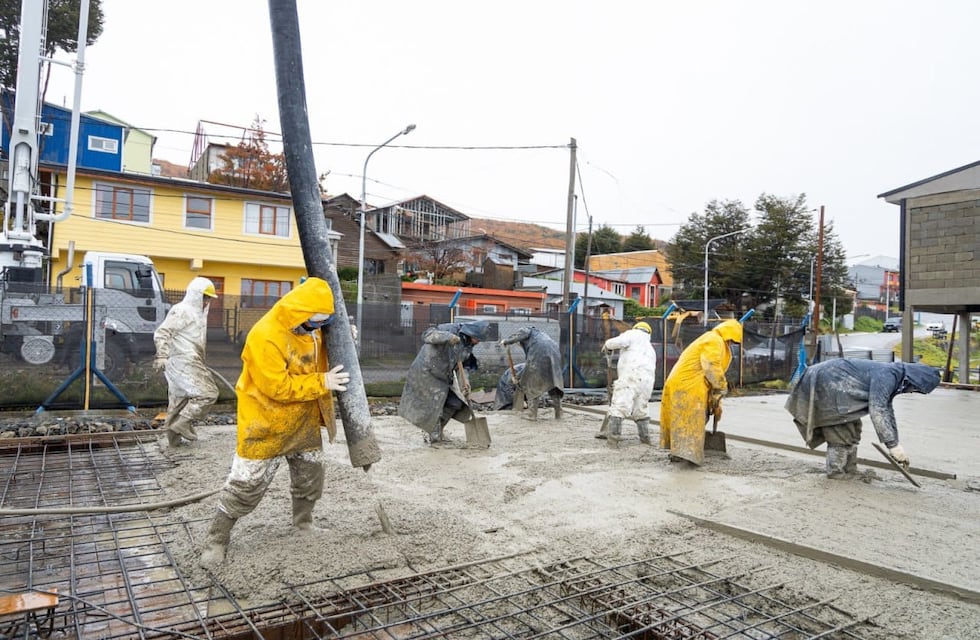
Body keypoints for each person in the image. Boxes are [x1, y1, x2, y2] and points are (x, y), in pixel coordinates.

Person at [200, 277, 350, 566]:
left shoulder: (311, 331)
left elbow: (319, 352)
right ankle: (216, 539)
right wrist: (323, 382)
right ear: (298, 314)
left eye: (320, 325)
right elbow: (276, 388)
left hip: (303, 419)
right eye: (311, 324)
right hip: (265, 422)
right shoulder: (265, 336)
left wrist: (342, 340)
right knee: (247, 484)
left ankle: (303, 524)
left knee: (310, 475)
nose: (314, 330)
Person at [784, 359, 940, 479]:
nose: (913, 392)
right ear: (913, 380)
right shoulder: (888, 376)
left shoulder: (895, 375)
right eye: (916, 389)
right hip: (829, 382)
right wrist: (892, 445)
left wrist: (895, 443)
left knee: (853, 430)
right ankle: (835, 473)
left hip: (840, 387)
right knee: (840, 433)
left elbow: (887, 409)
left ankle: (850, 469)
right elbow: (877, 409)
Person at [660, 319, 742, 465]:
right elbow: (711, 366)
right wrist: (721, 385)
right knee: (689, 419)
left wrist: (716, 401)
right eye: (732, 340)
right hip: (687, 385)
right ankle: (686, 454)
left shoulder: (716, 341)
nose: (732, 344)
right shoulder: (713, 340)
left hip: (690, 384)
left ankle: (680, 452)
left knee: (689, 418)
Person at [153, 276, 220, 447]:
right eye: (205, 297)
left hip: (187, 361)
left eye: (208, 299)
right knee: (208, 393)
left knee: (178, 400)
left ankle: (173, 442)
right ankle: (183, 423)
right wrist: (161, 355)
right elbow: (162, 332)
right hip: (184, 361)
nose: (206, 302)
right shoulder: (182, 310)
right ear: (195, 295)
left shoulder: (197, 314)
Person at [398, 320, 489, 445]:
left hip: (444, 377)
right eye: (477, 339)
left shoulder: (468, 346)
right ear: (471, 333)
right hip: (427, 373)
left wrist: (465, 383)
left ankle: (437, 431)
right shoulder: (450, 329)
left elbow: (463, 367)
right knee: (434, 407)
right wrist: (448, 337)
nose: (478, 342)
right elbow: (426, 335)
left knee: (456, 402)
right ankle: (435, 439)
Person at [599, 321, 657, 447]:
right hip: (647, 382)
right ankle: (645, 439)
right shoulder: (650, 348)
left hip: (630, 377)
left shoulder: (632, 334)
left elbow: (616, 342)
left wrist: (607, 345)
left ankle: (613, 440)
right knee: (641, 409)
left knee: (619, 407)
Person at [498, 326, 564, 420]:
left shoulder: (526, 330)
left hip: (539, 355)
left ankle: (533, 415)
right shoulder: (542, 335)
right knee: (553, 383)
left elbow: (520, 335)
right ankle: (559, 414)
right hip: (555, 355)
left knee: (532, 385)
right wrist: (519, 377)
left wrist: (506, 341)